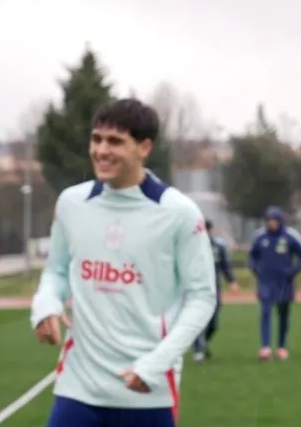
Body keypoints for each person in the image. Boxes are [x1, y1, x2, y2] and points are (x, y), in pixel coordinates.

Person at [30, 98, 217, 427]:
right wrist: (45, 305)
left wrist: (156, 364)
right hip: (78, 387)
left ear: (144, 147)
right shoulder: (72, 203)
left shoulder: (179, 213)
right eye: (96, 139)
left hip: (147, 391)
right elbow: (56, 271)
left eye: (115, 141)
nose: (101, 150)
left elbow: (202, 297)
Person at [248, 206, 301, 360]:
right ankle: (265, 348)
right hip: (266, 281)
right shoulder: (260, 236)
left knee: (283, 313)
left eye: (274, 220)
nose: (272, 223)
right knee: (265, 311)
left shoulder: (290, 235)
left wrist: (294, 270)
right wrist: (255, 269)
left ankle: (281, 346)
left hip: (284, 281)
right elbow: (252, 255)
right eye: (269, 220)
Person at [192, 220, 238, 362]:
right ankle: (198, 350)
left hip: (213, 289)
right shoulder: (191, 246)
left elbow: (225, 265)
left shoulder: (218, 247)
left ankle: (204, 342)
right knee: (195, 319)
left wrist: (231, 281)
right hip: (195, 289)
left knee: (213, 323)